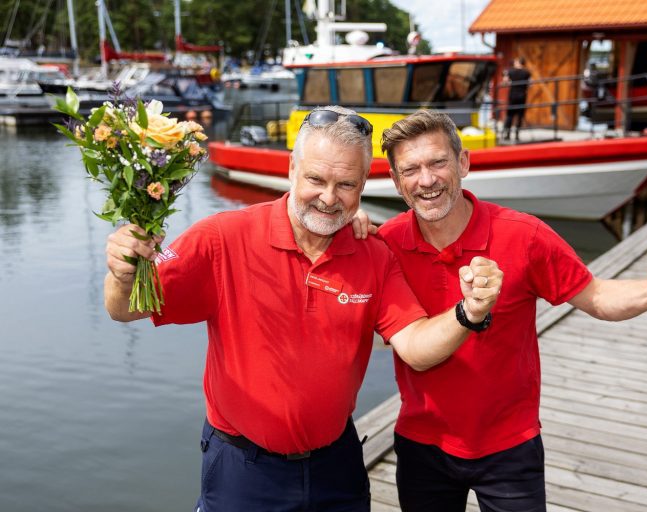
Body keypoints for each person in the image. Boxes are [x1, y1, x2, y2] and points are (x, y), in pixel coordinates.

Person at [103, 106, 503, 512]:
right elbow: (127, 310)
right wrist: (121, 275)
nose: (329, 199)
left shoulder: (375, 255)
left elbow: (416, 347)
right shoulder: (222, 237)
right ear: (293, 168)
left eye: (346, 184)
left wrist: (467, 312)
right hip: (243, 470)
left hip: (337, 467)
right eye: (316, 179)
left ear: (364, 182)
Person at [360, 109, 647, 512]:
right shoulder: (385, 244)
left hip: (510, 446)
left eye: (438, 162)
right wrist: (351, 220)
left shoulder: (525, 235)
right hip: (422, 442)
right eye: (410, 169)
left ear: (463, 163)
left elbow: (597, 297)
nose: (426, 180)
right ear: (395, 182)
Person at [502, 57, 531, 142]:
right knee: (520, 116)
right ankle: (517, 135)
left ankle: (507, 135)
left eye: (515, 62)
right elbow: (530, 84)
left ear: (518, 62)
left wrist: (507, 79)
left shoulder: (511, 71)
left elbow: (505, 81)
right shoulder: (527, 73)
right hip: (522, 96)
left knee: (510, 115)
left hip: (513, 96)